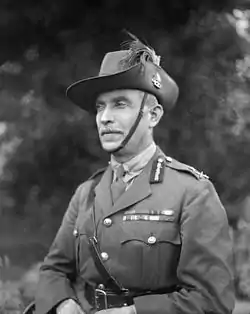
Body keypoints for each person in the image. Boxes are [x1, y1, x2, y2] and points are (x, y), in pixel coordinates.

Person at [35, 36, 235, 314]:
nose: (104, 118)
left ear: (152, 116)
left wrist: (133, 312)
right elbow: (54, 270)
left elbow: (211, 299)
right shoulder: (87, 192)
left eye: (120, 104)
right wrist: (63, 303)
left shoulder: (192, 193)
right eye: (99, 107)